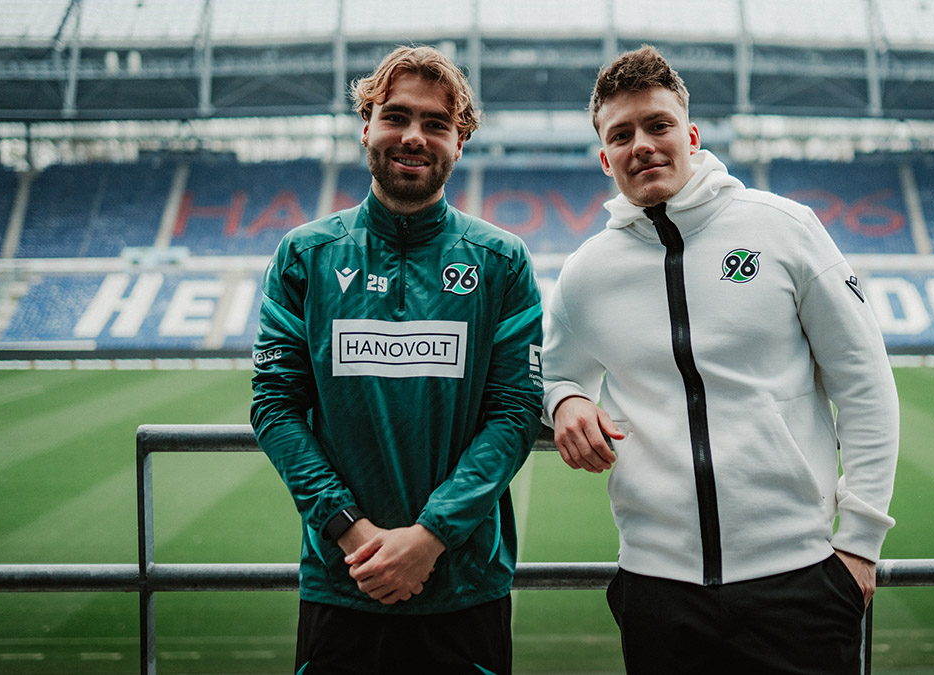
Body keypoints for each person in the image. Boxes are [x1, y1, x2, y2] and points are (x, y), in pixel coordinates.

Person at [542, 45, 899, 674]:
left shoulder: (785, 228)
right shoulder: (585, 274)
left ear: (691, 134)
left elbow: (865, 382)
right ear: (604, 157)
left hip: (800, 582)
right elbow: (552, 369)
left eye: (659, 125)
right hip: (656, 591)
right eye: (621, 134)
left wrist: (860, 546)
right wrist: (566, 398)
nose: (643, 145)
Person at [251, 45, 544, 675]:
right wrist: (353, 533)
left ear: (459, 141)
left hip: (466, 582)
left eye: (436, 123)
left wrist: (430, 536)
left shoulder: (502, 261)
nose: (414, 136)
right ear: (367, 127)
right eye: (396, 117)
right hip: (343, 577)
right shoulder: (304, 255)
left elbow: (515, 412)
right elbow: (275, 407)